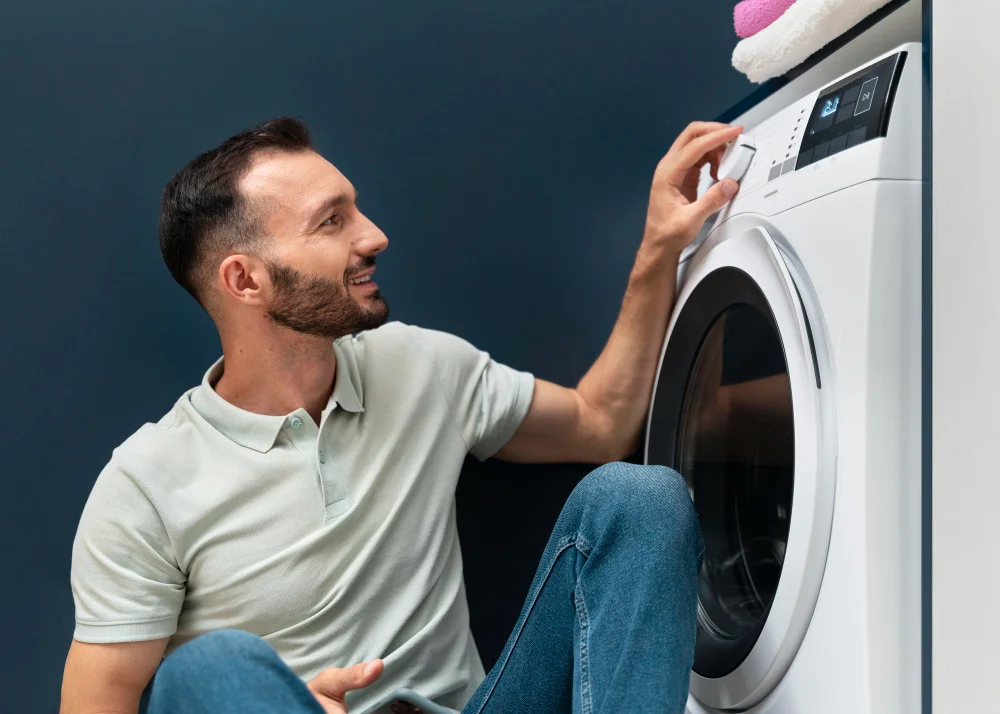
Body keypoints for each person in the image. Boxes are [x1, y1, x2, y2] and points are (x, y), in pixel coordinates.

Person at [60, 117, 743, 714]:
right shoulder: (145, 486)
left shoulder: (419, 366)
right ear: (245, 280)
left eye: (356, 209)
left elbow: (600, 421)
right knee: (210, 669)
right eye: (332, 221)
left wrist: (660, 248)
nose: (375, 236)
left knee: (638, 497)